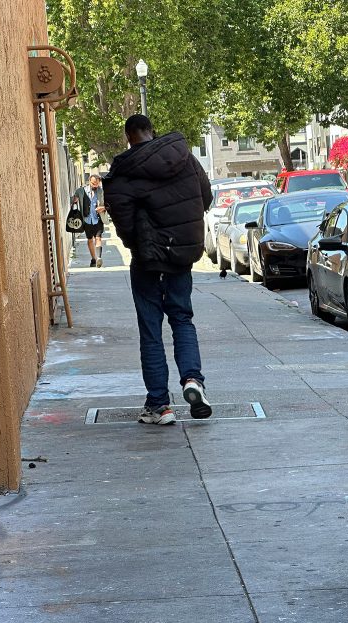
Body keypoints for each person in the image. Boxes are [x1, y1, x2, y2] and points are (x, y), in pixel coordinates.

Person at [102, 115, 213, 425]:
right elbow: (206, 196)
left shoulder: (123, 174)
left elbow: (123, 222)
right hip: (181, 256)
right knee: (182, 319)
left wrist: (138, 243)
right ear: (152, 131)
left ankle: (159, 406)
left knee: (151, 331)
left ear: (128, 137)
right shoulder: (184, 157)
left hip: (148, 261)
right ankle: (193, 380)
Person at [73, 174, 106, 267]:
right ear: (89, 182)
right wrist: (75, 200)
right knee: (90, 239)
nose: (95, 185)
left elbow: (109, 204)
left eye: (97, 184)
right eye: (93, 183)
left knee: (98, 238)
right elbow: (74, 199)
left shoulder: (102, 191)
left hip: (98, 219)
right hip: (87, 220)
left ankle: (99, 257)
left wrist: (103, 208)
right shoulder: (81, 191)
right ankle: (93, 259)